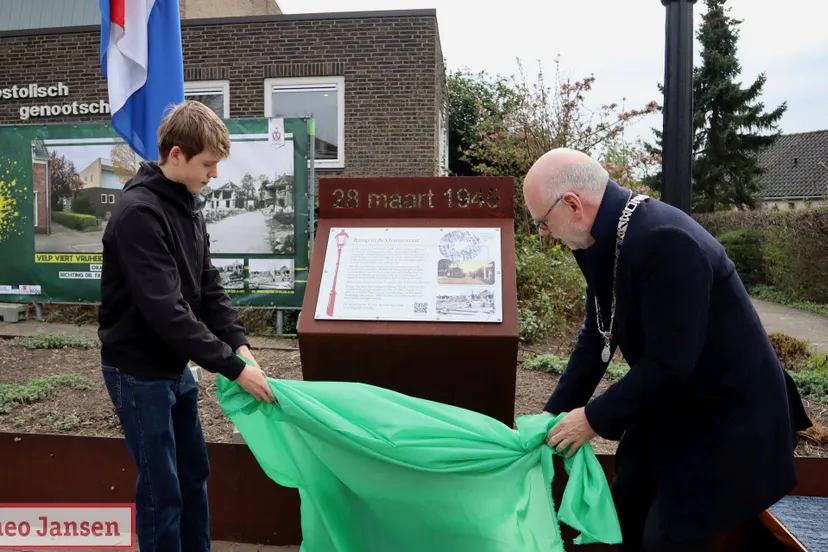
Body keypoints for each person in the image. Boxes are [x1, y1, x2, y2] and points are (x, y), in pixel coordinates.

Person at [521, 148, 812, 552]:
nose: (543, 234)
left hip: (730, 424)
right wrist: (552, 416)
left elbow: (669, 363)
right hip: (674, 409)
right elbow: (597, 335)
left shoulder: (665, 241)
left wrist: (590, 419)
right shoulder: (601, 239)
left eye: (542, 222)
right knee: (621, 515)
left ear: (572, 204)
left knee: (667, 537)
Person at [98, 101, 275, 552]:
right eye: (208, 164)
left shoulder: (187, 205)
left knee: (194, 474)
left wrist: (239, 344)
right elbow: (167, 310)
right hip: (139, 372)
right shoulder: (139, 213)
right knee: (163, 491)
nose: (214, 174)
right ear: (176, 155)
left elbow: (208, 287)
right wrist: (233, 369)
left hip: (176, 370)